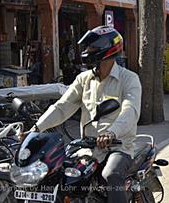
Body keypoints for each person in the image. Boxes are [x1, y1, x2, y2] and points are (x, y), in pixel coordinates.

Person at [27, 26, 142, 203]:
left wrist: (111, 133)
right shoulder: (84, 79)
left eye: (92, 48)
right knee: (58, 176)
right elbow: (62, 106)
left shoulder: (129, 79)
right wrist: (36, 128)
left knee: (111, 175)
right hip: (86, 147)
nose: (87, 52)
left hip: (118, 147)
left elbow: (130, 111)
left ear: (106, 49)